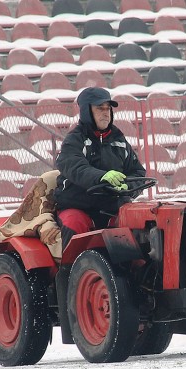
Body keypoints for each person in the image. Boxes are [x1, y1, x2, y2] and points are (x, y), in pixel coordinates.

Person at [48, 86, 146, 249]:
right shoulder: (74, 140)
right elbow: (75, 166)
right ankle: (68, 272)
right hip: (78, 206)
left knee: (138, 224)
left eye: (108, 108)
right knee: (74, 224)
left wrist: (128, 186)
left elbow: (137, 171)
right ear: (87, 111)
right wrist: (101, 177)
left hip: (112, 206)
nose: (106, 112)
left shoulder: (119, 141)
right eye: (100, 108)